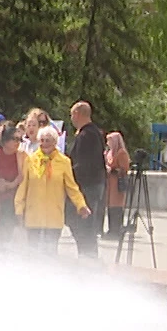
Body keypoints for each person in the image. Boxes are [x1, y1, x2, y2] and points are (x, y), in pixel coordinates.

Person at [14, 126, 90, 252]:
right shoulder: (30, 160)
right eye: (42, 140)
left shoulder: (64, 161)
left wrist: (80, 205)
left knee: (50, 255)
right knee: (33, 254)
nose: (44, 144)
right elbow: (23, 186)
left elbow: (72, 187)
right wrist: (19, 208)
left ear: (55, 142)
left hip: (53, 217)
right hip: (33, 216)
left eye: (48, 140)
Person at [64, 102, 105, 257]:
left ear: (78, 114)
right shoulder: (95, 133)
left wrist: (68, 176)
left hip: (87, 185)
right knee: (84, 224)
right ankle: (87, 253)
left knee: (83, 223)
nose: (71, 118)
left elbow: (84, 163)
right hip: (94, 184)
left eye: (72, 114)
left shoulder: (86, 135)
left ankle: (87, 255)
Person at [0, 125, 22, 241]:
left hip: (14, 201)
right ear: (6, 140)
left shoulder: (21, 156)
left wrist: (11, 185)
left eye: (20, 139)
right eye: (15, 139)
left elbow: (22, 177)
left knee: (9, 235)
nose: (18, 143)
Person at [102, 132, 130, 241]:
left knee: (116, 207)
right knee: (110, 207)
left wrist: (112, 170)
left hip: (117, 183)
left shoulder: (121, 153)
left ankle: (116, 230)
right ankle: (111, 229)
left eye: (110, 140)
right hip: (109, 184)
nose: (108, 143)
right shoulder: (109, 153)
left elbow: (124, 169)